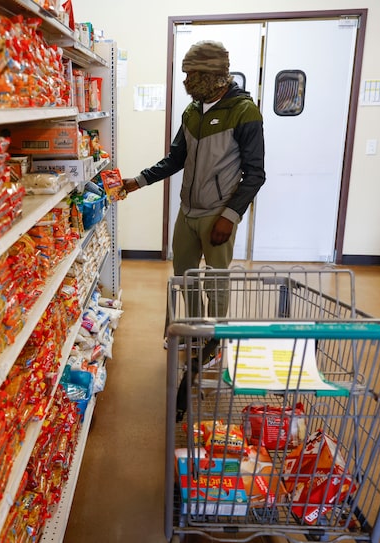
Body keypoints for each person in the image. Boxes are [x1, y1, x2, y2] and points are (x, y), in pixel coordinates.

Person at [121, 40, 266, 419]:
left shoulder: (245, 112)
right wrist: (137, 181)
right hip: (188, 212)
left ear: (215, 75)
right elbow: (175, 159)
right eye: (186, 74)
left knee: (216, 280)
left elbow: (256, 174)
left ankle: (212, 341)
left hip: (218, 213)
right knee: (183, 277)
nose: (186, 81)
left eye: (193, 75)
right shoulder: (191, 111)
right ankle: (193, 333)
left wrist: (229, 216)